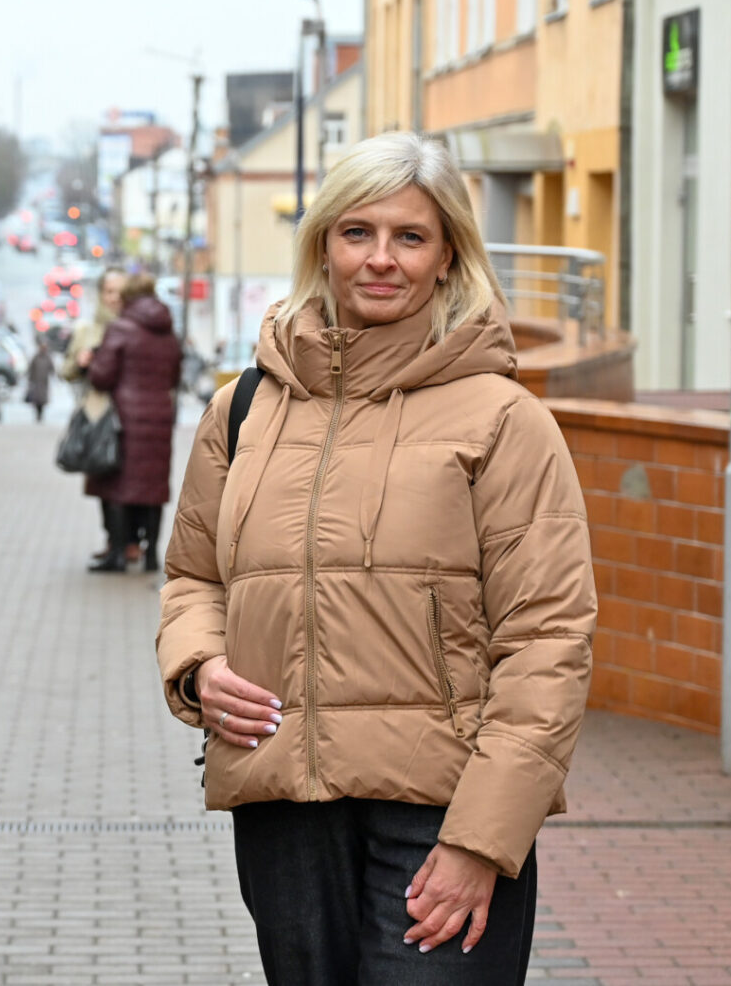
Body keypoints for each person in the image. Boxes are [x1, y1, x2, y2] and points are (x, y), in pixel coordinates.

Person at [155, 132, 596, 985]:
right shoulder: (243, 409)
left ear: (448, 255)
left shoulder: (503, 419)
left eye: (410, 236)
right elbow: (195, 576)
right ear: (323, 244)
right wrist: (200, 666)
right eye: (357, 232)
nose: (381, 259)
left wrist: (483, 840)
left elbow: (548, 639)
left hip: (440, 814)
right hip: (284, 807)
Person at [86, 272, 183, 572]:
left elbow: (102, 377)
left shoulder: (120, 328)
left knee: (118, 487)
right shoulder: (168, 332)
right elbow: (174, 377)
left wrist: (93, 360)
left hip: (125, 419)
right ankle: (151, 554)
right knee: (154, 488)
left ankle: (117, 554)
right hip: (160, 417)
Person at [63, 266, 131, 568]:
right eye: (109, 291)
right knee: (103, 478)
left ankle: (130, 542)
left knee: (131, 481)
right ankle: (112, 541)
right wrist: (81, 362)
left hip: (133, 416)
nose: (115, 298)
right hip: (99, 416)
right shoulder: (87, 330)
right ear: (101, 294)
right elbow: (66, 371)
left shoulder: (136, 326)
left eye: (120, 292)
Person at [24, 339, 54, 422]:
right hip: (36, 381)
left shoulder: (48, 357)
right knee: (36, 399)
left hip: (44, 382)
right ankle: (37, 414)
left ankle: (41, 413)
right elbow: (31, 368)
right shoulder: (36, 357)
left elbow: (52, 368)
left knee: (43, 400)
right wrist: (30, 379)